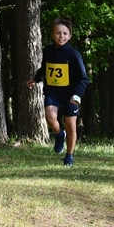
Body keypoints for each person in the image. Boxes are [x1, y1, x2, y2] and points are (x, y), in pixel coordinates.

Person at [27, 18, 90, 166]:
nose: (61, 36)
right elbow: (45, 68)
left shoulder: (74, 55)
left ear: (70, 36)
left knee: (71, 126)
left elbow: (83, 78)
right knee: (50, 117)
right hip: (53, 92)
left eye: (65, 33)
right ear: (52, 35)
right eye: (58, 33)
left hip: (70, 95)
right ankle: (59, 134)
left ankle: (69, 156)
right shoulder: (48, 51)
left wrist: (77, 95)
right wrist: (36, 78)